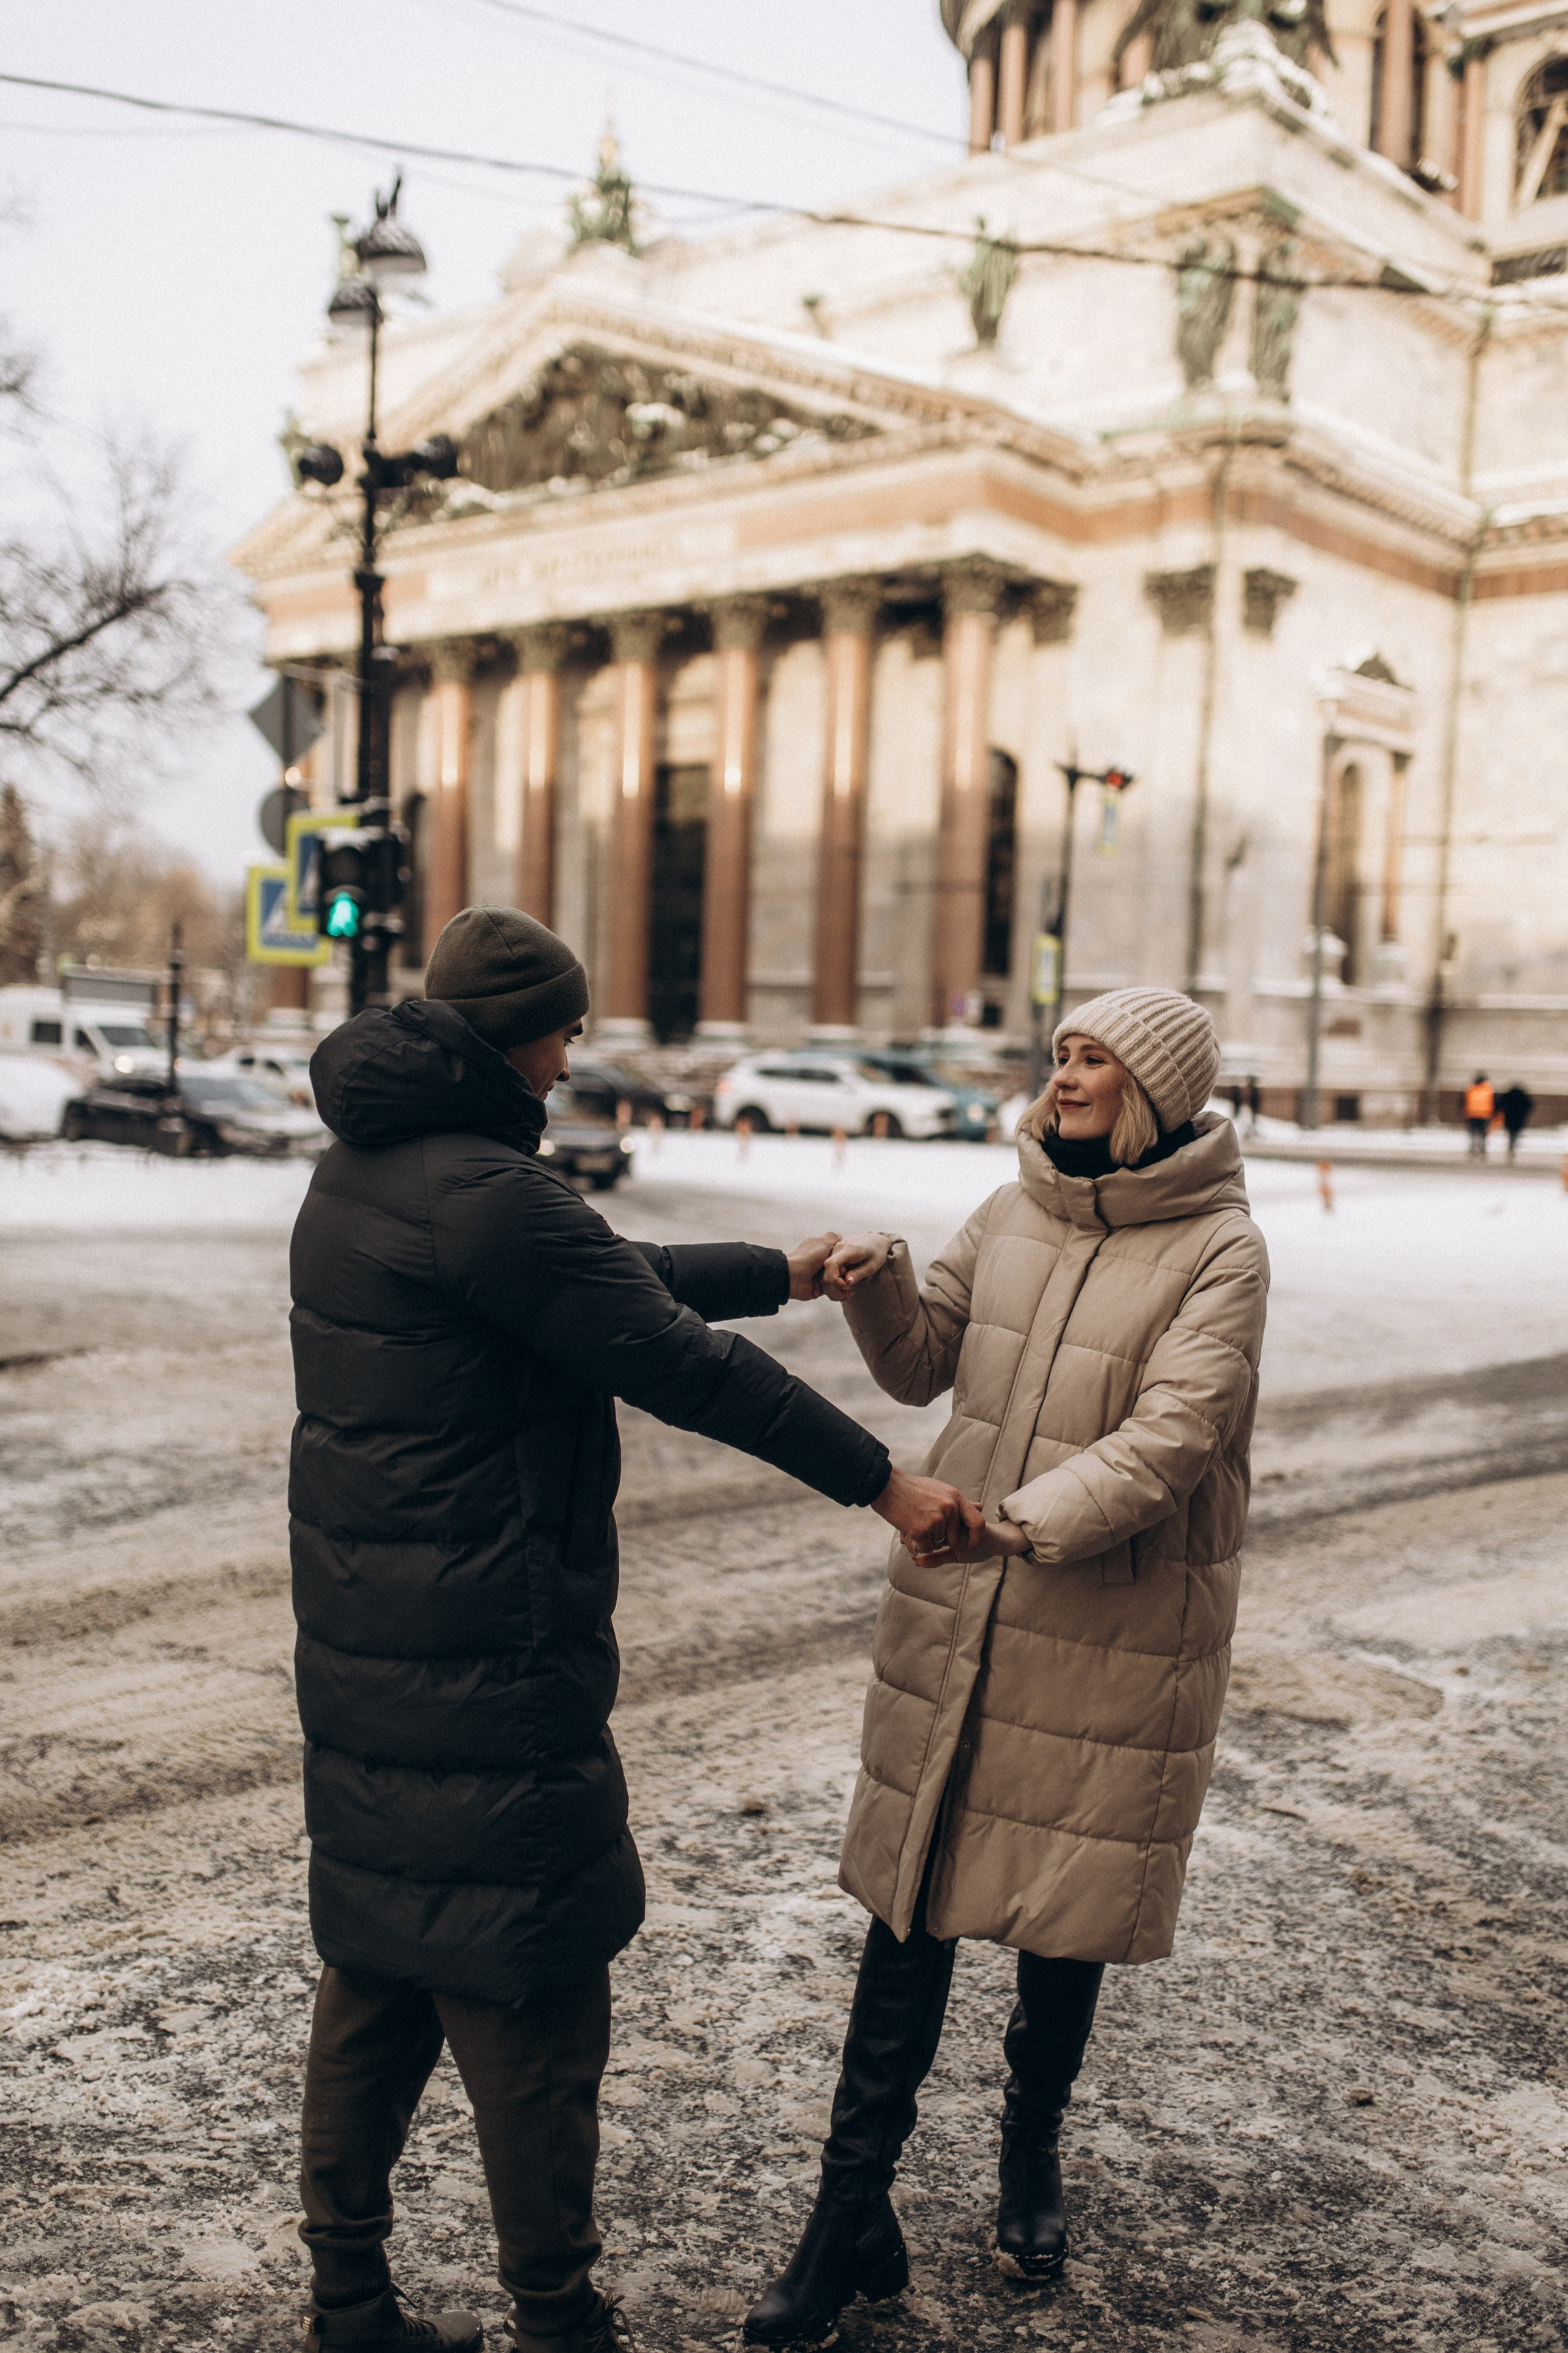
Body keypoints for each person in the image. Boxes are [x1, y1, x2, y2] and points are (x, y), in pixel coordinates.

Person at [289, 907, 982, 2353]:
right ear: (511, 1036)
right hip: (493, 1650)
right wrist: (884, 1482)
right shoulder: (487, 1192)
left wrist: (775, 1271)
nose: (571, 1054)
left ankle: (346, 2302)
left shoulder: (366, 1170)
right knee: (532, 1979)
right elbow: (676, 1361)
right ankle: (558, 2320)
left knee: (381, 1962)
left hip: (372, 1645)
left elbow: (598, 1274)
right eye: (563, 1027)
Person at [742, 987, 1270, 2349]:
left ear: (1155, 1091)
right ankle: (847, 2210)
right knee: (909, 1899)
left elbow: (1173, 1437)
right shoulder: (1012, 1205)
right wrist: (880, 1285)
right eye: (1062, 1055)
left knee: (1058, 1906)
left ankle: (1029, 2150)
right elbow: (922, 1367)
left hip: (1109, 1617)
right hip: (964, 1594)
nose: (1066, 1076)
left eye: (1095, 1059)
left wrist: (1016, 1524)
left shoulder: (1220, 1247)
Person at [1497, 1081, 1534, 1161]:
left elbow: (1500, 1104)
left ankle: (1511, 1145)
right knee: (1516, 1132)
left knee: (1511, 1133)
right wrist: (1524, 1113)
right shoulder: (1523, 1097)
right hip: (1519, 1119)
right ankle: (1513, 1145)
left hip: (1509, 1118)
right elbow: (1529, 1105)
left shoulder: (1508, 1096)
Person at [1464, 1073, 1494, 1158]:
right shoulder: (1488, 1089)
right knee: (1484, 1133)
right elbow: (1492, 1102)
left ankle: (1472, 1148)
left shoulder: (1471, 1089)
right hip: (1485, 1114)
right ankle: (1483, 1148)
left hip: (1472, 1114)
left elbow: (1464, 1101)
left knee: (1473, 1132)